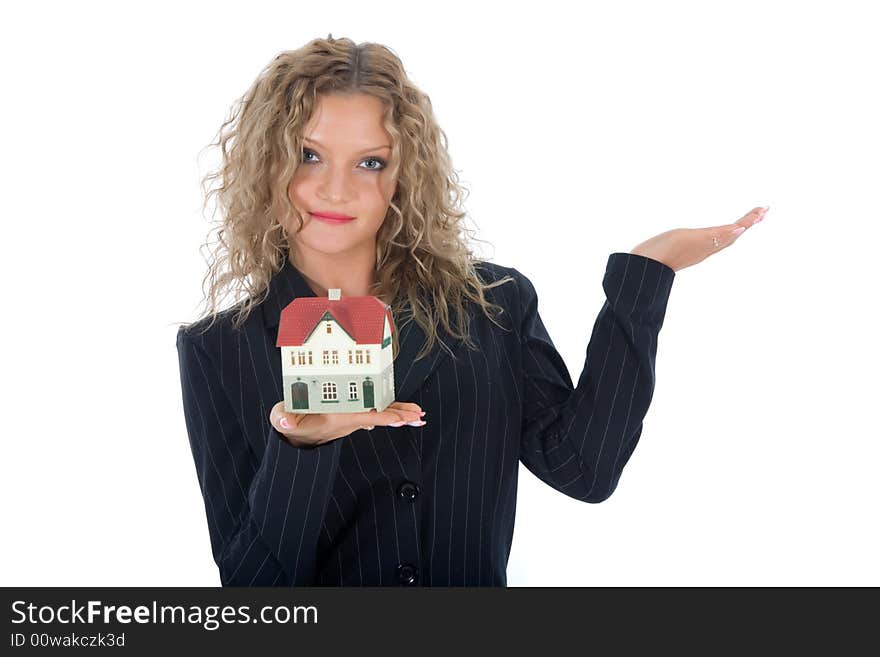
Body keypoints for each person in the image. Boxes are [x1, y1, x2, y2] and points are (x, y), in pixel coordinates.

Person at [175, 35, 767, 587]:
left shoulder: (493, 305)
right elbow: (249, 587)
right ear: (266, 166)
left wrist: (645, 276)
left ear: (404, 176)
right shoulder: (217, 347)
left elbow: (584, 469)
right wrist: (301, 450)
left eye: (370, 162)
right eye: (308, 155)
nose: (336, 189)